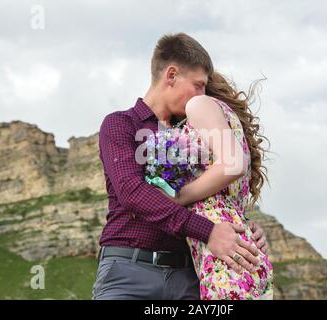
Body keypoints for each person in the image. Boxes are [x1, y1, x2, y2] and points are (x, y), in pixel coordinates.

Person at [92, 32, 269, 300]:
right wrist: (208, 231)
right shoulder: (121, 124)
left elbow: (214, 191)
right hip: (129, 271)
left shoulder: (193, 130)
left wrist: (242, 227)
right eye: (198, 85)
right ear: (171, 75)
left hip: (188, 278)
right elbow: (131, 192)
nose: (202, 95)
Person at [160, 71, 274, 299]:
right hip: (241, 252)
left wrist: (177, 197)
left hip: (224, 259)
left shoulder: (198, 105)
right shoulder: (229, 123)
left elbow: (232, 165)